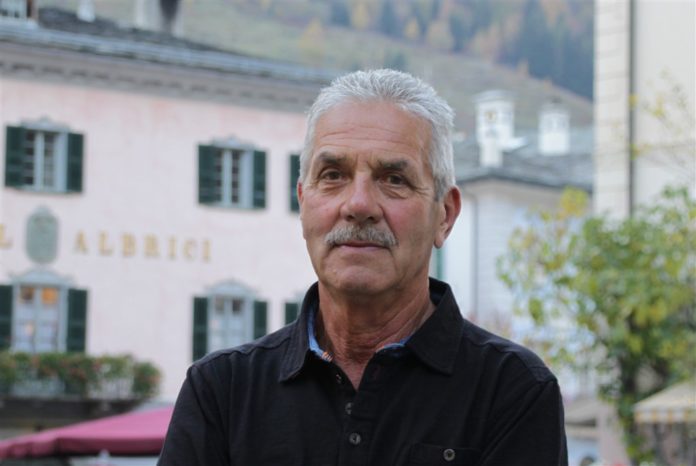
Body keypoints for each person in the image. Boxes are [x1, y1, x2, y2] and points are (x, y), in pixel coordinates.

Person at [158, 69, 568, 465]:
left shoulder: (512, 392)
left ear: (444, 215)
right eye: (333, 175)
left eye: (393, 179)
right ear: (303, 203)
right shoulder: (222, 392)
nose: (358, 205)